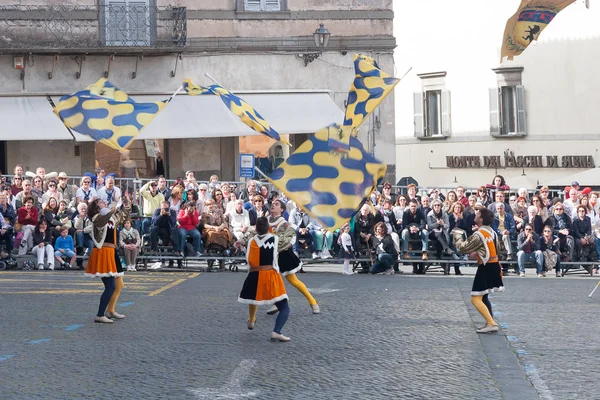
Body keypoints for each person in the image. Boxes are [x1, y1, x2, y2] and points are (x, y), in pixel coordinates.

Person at [238, 216, 291, 342]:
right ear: (268, 228)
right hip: (270, 275)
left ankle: (251, 320)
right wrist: (287, 228)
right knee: (284, 307)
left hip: (254, 274)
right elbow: (289, 240)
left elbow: (243, 240)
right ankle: (276, 331)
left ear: (256, 228)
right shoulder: (275, 239)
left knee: (253, 297)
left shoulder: (251, 240)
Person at [452, 207, 504, 334]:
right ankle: (490, 321)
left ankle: (491, 323)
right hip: (495, 265)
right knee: (484, 296)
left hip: (486, 267)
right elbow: (496, 249)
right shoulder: (492, 232)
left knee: (475, 298)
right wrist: (480, 252)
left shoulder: (479, 234)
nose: (475, 214)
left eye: (478, 214)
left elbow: (463, 248)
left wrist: (457, 235)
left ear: (481, 219)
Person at [267, 199, 320, 315]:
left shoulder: (284, 223)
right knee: (270, 280)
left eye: (276, 204)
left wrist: (280, 245)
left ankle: (313, 302)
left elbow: (291, 238)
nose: (273, 206)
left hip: (283, 254)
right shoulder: (266, 221)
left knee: (293, 281)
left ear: (281, 209)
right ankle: (278, 302)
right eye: (272, 204)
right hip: (270, 255)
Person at [86, 196, 131, 324]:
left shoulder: (110, 217)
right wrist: (112, 207)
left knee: (119, 285)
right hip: (103, 252)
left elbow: (122, 216)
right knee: (110, 286)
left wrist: (126, 204)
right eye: (101, 202)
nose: (104, 202)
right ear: (96, 207)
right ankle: (100, 314)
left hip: (111, 252)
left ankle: (110, 310)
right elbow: (103, 219)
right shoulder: (97, 218)